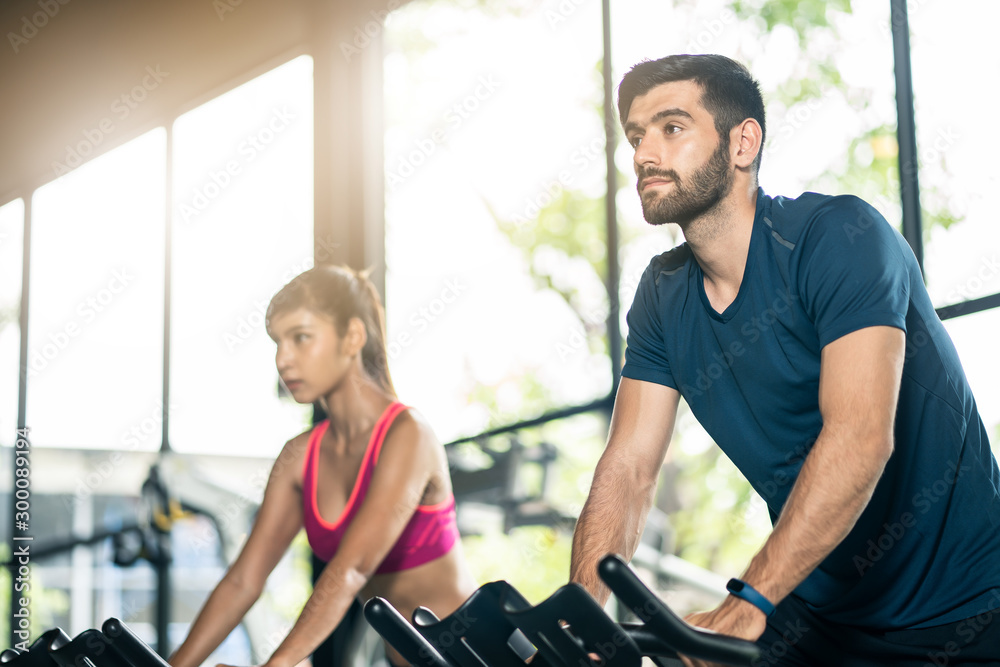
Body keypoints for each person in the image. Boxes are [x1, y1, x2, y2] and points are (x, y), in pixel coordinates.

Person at [569, 54, 1000, 666]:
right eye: (636, 137)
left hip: (967, 610)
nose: (643, 154)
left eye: (671, 128)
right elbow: (629, 468)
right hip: (818, 613)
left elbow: (859, 437)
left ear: (743, 142)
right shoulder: (663, 295)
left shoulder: (838, 238)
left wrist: (748, 606)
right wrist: (580, 620)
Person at [168, 265, 478, 667]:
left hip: (480, 654)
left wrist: (274, 666)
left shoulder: (408, 434)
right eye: (277, 343)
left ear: (352, 337)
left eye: (300, 338)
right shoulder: (299, 458)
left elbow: (351, 571)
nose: (283, 358)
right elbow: (243, 581)